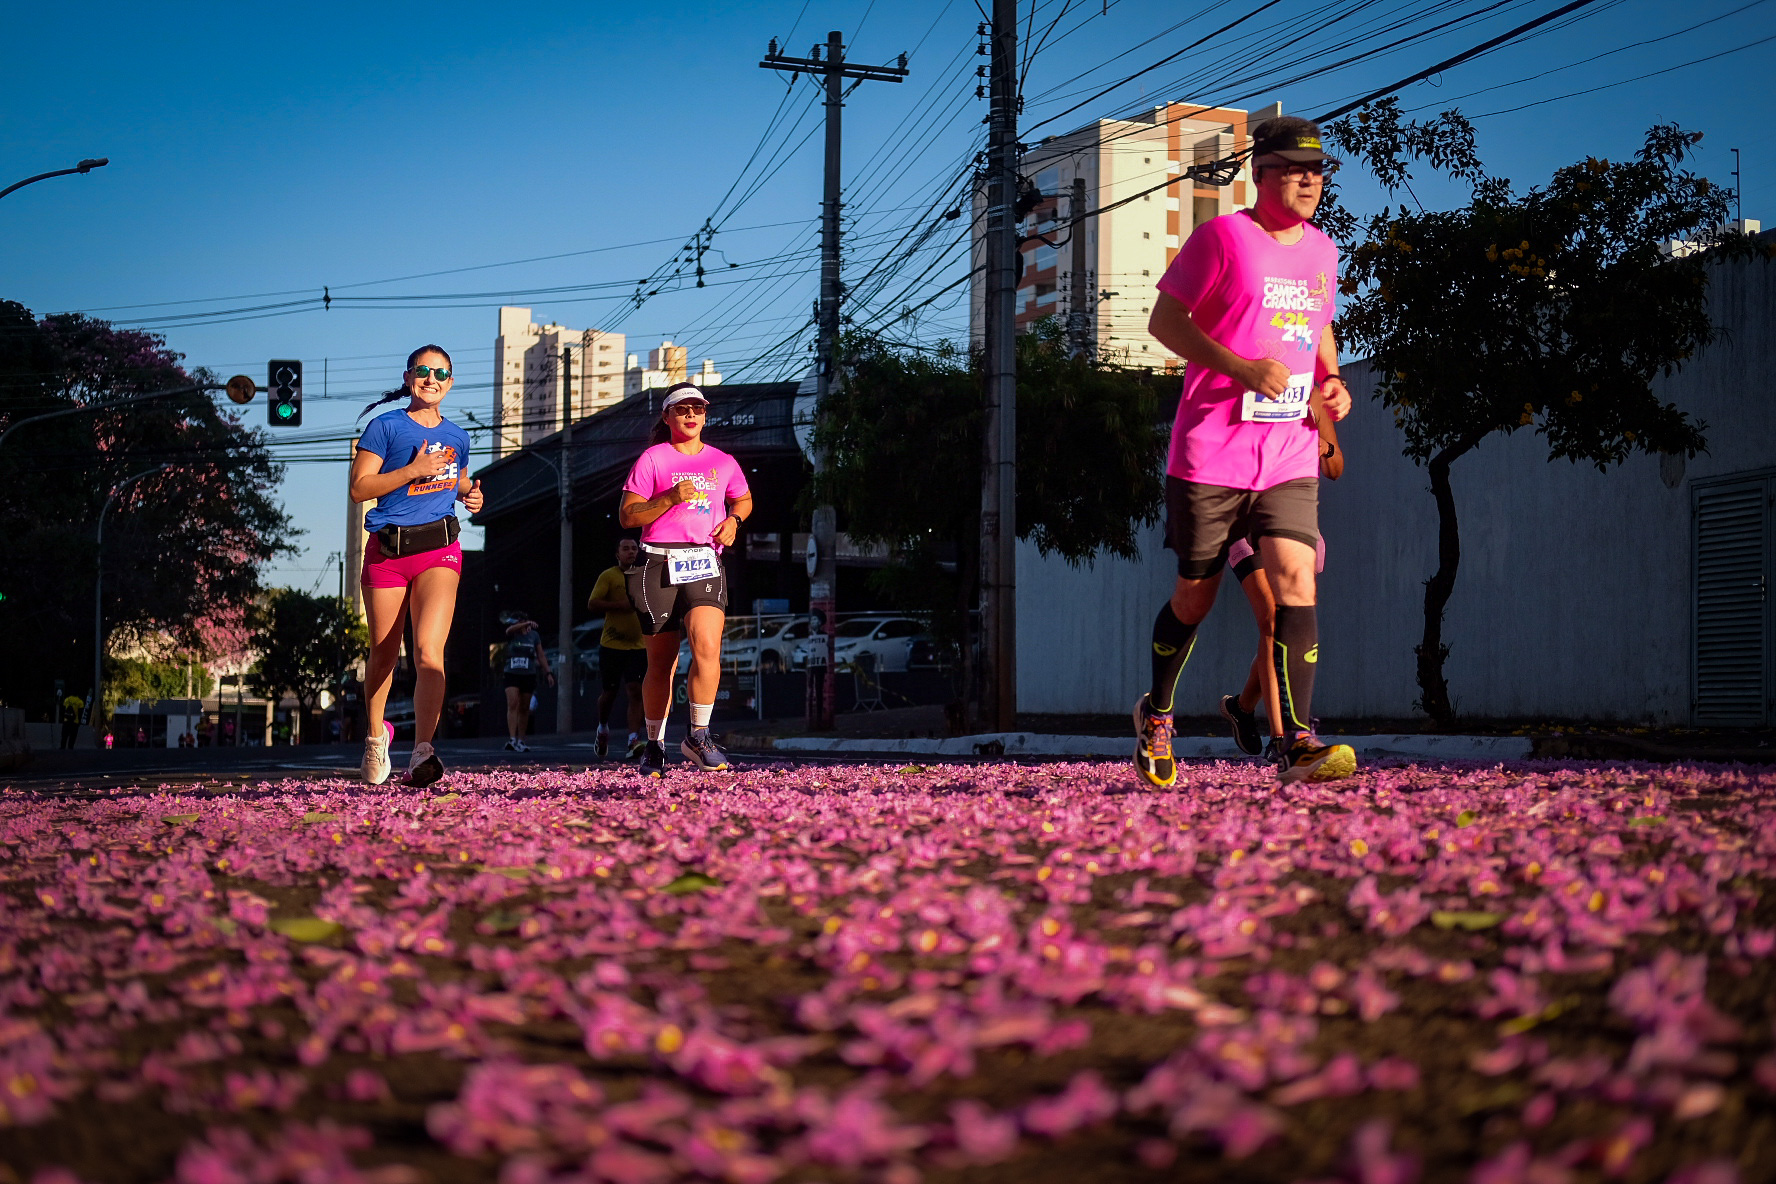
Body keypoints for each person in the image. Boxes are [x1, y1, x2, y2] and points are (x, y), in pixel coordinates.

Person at [1135, 115, 1357, 787]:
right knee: (1194, 598)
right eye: (1294, 169)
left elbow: (1319, 327)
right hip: (1212, 449)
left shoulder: (1323, 251)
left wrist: (1333, 381)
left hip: (1287, 448)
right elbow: (1165, 322)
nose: (1308, 181)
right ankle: (1159, 711)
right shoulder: (1222, 237)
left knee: (1296, 581)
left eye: (1316, 171)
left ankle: (1297, 742)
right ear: (1258, 173)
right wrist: (1239, 367)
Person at [349, 345, 484, 788]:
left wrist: (470, 494)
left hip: (439, 550)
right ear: (409, 377)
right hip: (388, 554)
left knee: (428, 651)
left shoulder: (458, 436)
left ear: (450, 381)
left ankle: (423, 750)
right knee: (385, 651)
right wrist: (413, 470)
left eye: (441, 373)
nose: (432, 379)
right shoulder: (384, 427)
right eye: (423, 371)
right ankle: (375, 737)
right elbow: (360, 488)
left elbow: (454, 476)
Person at [618, 382, 752, 776]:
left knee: (708, 644)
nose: (691, 415)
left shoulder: (723, 460)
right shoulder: (653, 459)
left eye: (698, 408)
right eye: (682, 409)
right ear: (667, 417)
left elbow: (742, 497)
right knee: (662, 662)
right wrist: (669, 499)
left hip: (703, 561)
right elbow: (629, 517)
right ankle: (655, 744)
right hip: (658, 562)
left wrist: (734, 520)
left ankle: (699, 735)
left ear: (705, 414)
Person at [1221, 390, 1343, 759]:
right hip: (1243, 521)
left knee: (1283, 627)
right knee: (1271, 620)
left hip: (1291, 521)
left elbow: (1336, 468)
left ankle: (1242, 708)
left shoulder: (1315, 399)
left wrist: (1322, 447)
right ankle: (1281, 736)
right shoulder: (1244, 390)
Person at [587, 538, 648, 759]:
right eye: (626, 549)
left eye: (634, 548)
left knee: (635, 691)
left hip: (638, 645)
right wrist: (619, 606)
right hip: (612, 644)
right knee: (609, 693)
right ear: (617, 554)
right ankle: (602, 727)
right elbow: (592, 604)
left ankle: (633, 740)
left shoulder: (644, 575)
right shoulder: (609, 576)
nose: (631, 552)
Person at [500, 612, 553, 752]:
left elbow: (540, 655)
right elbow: (509, 630)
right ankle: (512, 739)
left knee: (524, 707)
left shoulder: (534, 636)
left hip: (528, 674)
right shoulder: (512, 633)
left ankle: (521, 740)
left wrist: (548, 673)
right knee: (513, 703)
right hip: (511, 673)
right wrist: (525, 623)